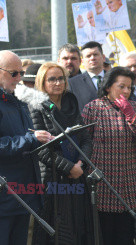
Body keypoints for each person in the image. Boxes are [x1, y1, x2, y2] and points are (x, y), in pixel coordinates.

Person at [0, 50, 50, 245]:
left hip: (22, 187)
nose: (19, 78)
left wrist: (44, 138)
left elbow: (23, 132)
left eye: (21, 73)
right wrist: (30, 139)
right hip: (1, 189)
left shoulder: (15, 96)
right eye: (14, 73)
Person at [20, 62, 94, 244]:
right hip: (52, 179)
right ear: (41, 82)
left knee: (78, 228)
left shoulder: (71, 102)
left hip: (78, 175)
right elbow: (40, 150)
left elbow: (85, 138)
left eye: (61, 78)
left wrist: (80, 165)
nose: (57, 83)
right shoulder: (34, 106)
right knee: (56, 231)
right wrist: (69, 168)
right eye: (51, 79)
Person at [81, 67, 136, 244]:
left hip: (128, 186)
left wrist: (131, 117)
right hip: (103, 184)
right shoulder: (93, 108)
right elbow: (83, 142)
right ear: (108, 87)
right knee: (103, 235)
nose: (126, 91)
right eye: (122, 86)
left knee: (125, 236)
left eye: (129, 87)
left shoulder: (134, 108)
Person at [69, 41, 106, 112]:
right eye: (88, 56)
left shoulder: (115, 78)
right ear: (82, 61)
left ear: (103, 57)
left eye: (95, 54)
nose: (92, 58)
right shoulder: (73, 83)